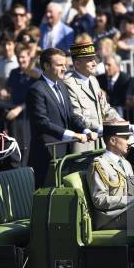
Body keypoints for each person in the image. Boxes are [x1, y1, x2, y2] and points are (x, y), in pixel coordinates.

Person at [26, 48, 95, 187]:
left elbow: (71, 116)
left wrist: (85, 131)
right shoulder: (36, 89)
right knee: (45, 197)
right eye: (59, 65)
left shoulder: (62, 86)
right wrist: (73, 135)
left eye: (65, 65)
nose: (64, 68)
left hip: (64, 155)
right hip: (45, 157)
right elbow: (42, 123)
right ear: (46, 66)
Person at [64, 41, 118, 152]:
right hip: (84, 145)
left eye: (95, 59)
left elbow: (105, 108)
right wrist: (100, 127)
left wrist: (120, 120)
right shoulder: (69, 84)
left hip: (101, 142)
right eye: (89, 60)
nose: (94, 63)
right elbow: (76, 116)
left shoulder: (93, 80)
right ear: (77, 64)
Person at [88, 120, 134, 230]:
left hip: (128, 211)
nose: (128, 142)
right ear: (113, 140)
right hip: (110, 218)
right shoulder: (99, 164)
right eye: (125, 138)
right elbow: (99, 200)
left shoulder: (126, 163)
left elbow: (132, 193)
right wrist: (130, 200)